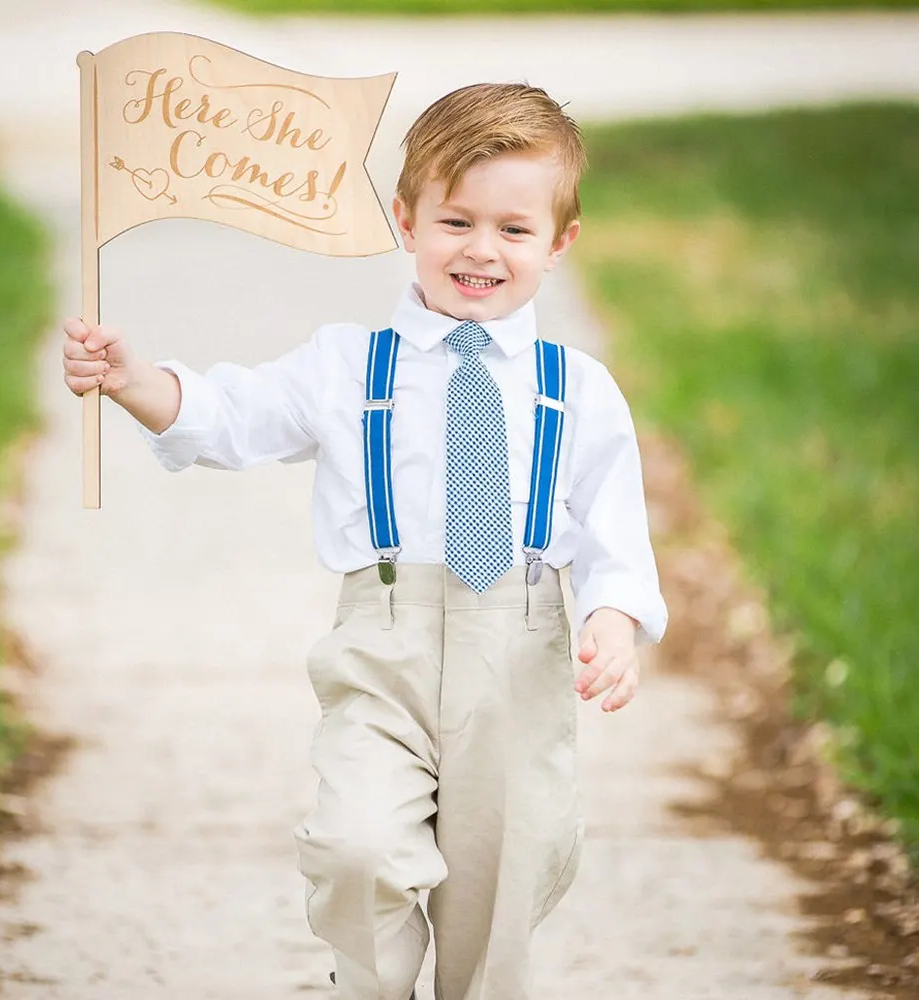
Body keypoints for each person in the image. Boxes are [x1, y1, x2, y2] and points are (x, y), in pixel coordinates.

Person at [62, 82, 667, 1000]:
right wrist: (135, 379)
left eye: (513, 229)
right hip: (382, 643)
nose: (480, 250)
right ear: (405, 218)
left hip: (518, 647)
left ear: (559, 243)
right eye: (455, 220)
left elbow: (617, 531)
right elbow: (234, 417)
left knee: (501, 869)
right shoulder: (349, 365)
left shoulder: (576, 389)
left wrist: (615, 621)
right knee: (356, 845)